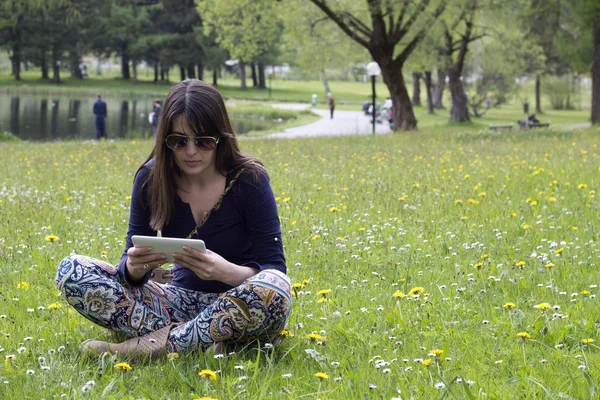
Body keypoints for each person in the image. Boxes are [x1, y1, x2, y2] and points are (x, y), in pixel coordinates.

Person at [56, 79, 292, 360]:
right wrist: (133, 267)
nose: (191, 151)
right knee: (71, 271)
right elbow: (128, 275)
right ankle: (203, 340)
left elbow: (274, 268)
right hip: (175, 301)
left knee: (276, 288)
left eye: (203, 141)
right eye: (179, 141)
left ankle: (143, 348)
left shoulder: (250, 179)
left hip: (240, 300)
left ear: (221, 138)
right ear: (165, 140)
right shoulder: (150, 179)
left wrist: (223, 271)